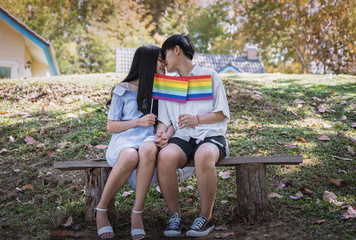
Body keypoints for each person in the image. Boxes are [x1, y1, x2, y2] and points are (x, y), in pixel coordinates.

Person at [156, 34, 230, 238]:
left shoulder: (209, 75)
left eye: (165, 54)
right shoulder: (167, 83)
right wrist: (160, 134)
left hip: (210, 135)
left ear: (176, 50)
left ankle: (206, 218)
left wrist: (197, 119)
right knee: (165, 156)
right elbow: (164, 120)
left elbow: (222, 113)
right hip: (182, 137)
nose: (163, 60)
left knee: (203, 155)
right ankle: (175, 216)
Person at [95, 45, 166, 239]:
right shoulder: (122, 89)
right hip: (124, 140)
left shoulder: (160, 89)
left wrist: (161, 133)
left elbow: (165, 119)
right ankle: (101, 210)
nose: (164, 63)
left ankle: (137, 212)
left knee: (148, 149)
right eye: (160, 60)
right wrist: (138, 121)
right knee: (129, 155)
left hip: (148, 138)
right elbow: (111, 126)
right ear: (148, 62)